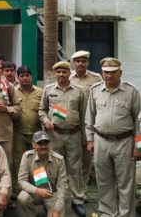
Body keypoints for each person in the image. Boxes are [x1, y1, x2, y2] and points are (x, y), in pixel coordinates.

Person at [86, 57, 141, 217]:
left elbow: (138, 123)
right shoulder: (95, 90)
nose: (109, 76)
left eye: (113, 72)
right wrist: (89, 139)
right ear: (102, 73)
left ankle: (126, 214)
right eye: (106, 72)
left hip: (124, 142)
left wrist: (138, 147)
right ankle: (107, 213)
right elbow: (90, 117)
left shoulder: (131, 92)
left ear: (120, 73)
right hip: (100, 141)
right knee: (103, 181)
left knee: (126, 182)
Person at [39, 61, 87, 217]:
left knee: (74, 169)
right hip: (55, 135)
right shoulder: (48, 90)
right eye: (58, 72)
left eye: (64, 72)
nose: (61, 74)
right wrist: (45, 119)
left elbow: (84, 115)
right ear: (55, 73)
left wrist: (86, 139)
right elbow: (42, 110)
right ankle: (50, 200)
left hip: (74, 134)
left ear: (69, 73)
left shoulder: (79, 91)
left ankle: (78, 200)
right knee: (51, 167)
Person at [69, 50, 102, 200]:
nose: (81, 64)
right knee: (73, 158)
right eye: (78, 61)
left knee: (87, 159)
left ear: (88, 63)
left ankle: (83, 189)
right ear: (73, 63)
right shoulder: (67, 78)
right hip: (73, 125)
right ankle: (72, 188)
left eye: (84, 61)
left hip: (90, 125)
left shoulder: (96, 78)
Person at [17, 131, 67, 217]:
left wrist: (57, 209)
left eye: (46, 143)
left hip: (52, 195)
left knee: (57, 214)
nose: (43, 146)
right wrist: (37, 190)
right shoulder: (27, 157)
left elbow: (62, 186)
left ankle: (50, 208)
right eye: (39, 143)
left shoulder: (59, 159)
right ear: (33, 145)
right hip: (35, 193)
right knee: (22, 197)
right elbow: (21, 181)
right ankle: (32, 214)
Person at [12, 65, 43, 197]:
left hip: (36, 134)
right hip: (18, 133)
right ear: (18, 78)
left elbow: (45, 109)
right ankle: (17, 190)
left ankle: (40, 191)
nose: (25, 78)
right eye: (21, 76)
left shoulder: (40, 92)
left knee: (38, 163)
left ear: (31, 76)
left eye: (27, 75)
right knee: (18, 163)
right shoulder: (13, 92)